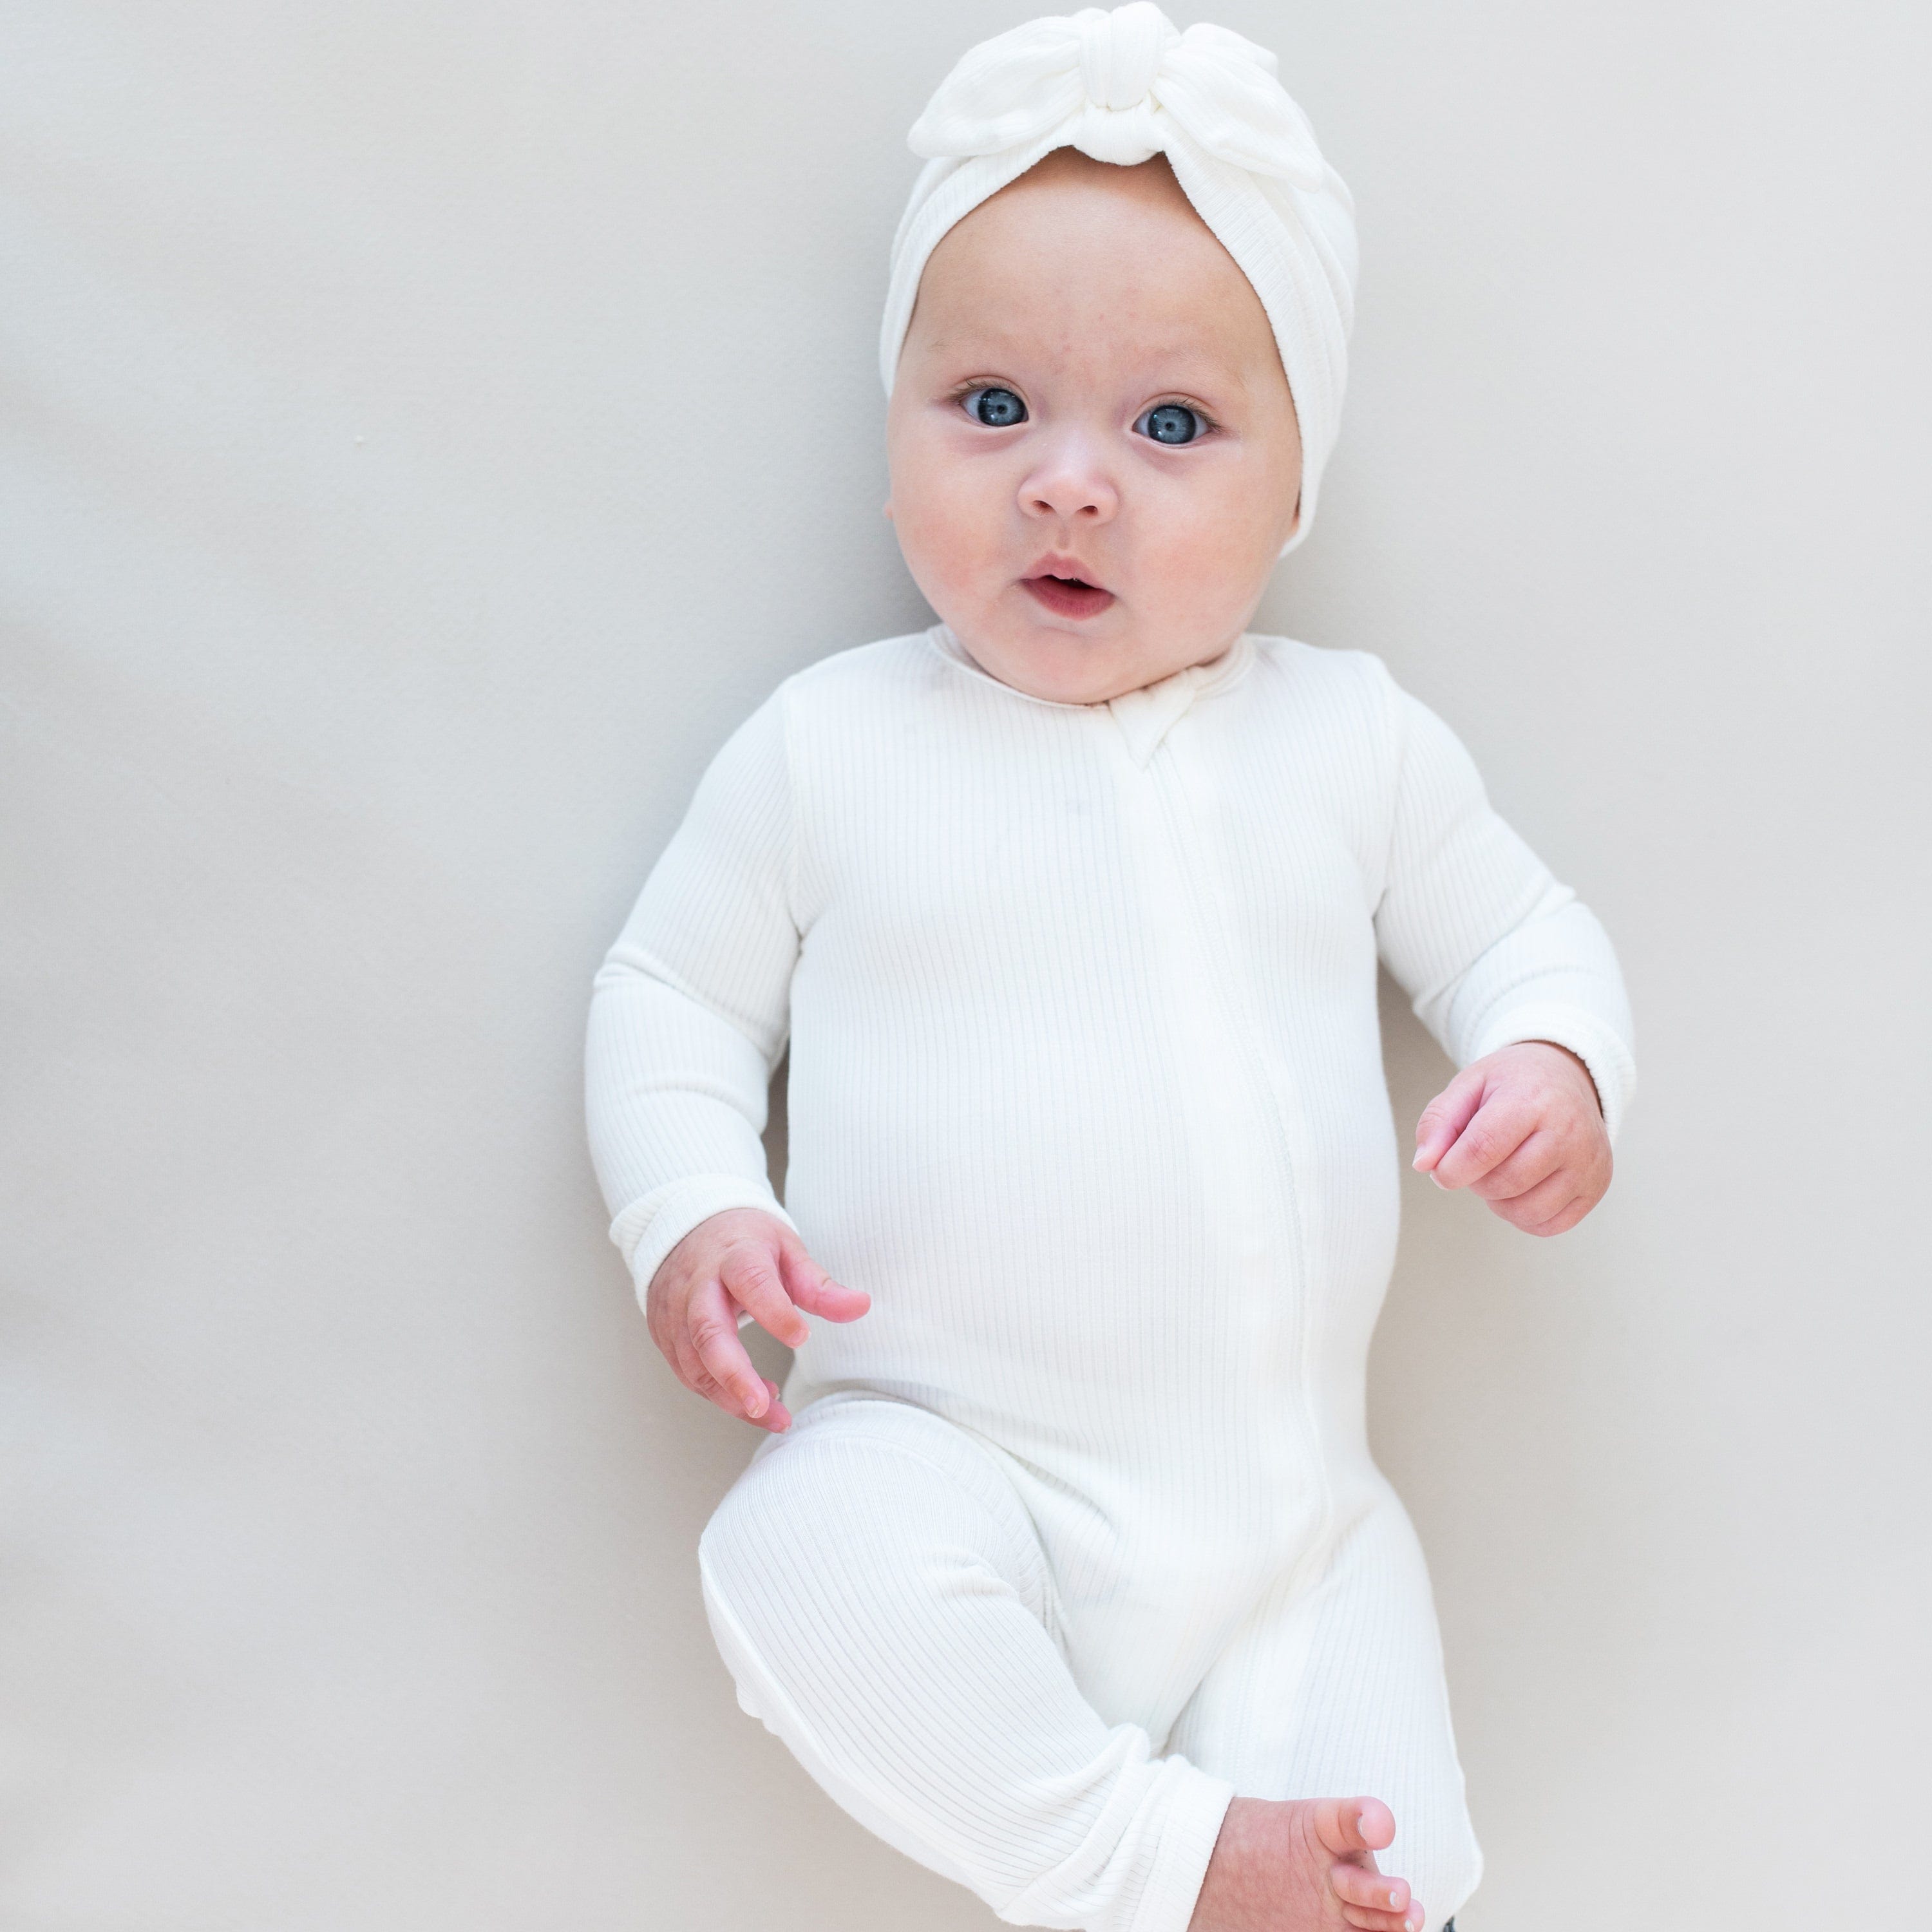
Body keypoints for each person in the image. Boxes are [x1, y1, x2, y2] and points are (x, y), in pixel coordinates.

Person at [583, 8, 1634, 1929]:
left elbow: (1524, 931)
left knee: (1391, 1881)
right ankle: (1140, 1859)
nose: (1069, 485)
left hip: (1297, 1533)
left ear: (1294, 481)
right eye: (992, 407)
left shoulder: (1352, 743)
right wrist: (692, 1207)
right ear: (891, 423)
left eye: (1170, 428)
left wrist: (1557, 1060)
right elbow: (670, 995)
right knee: (796, 1555)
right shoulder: (834, 747)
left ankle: (1246, 1870)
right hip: (952, 1459)